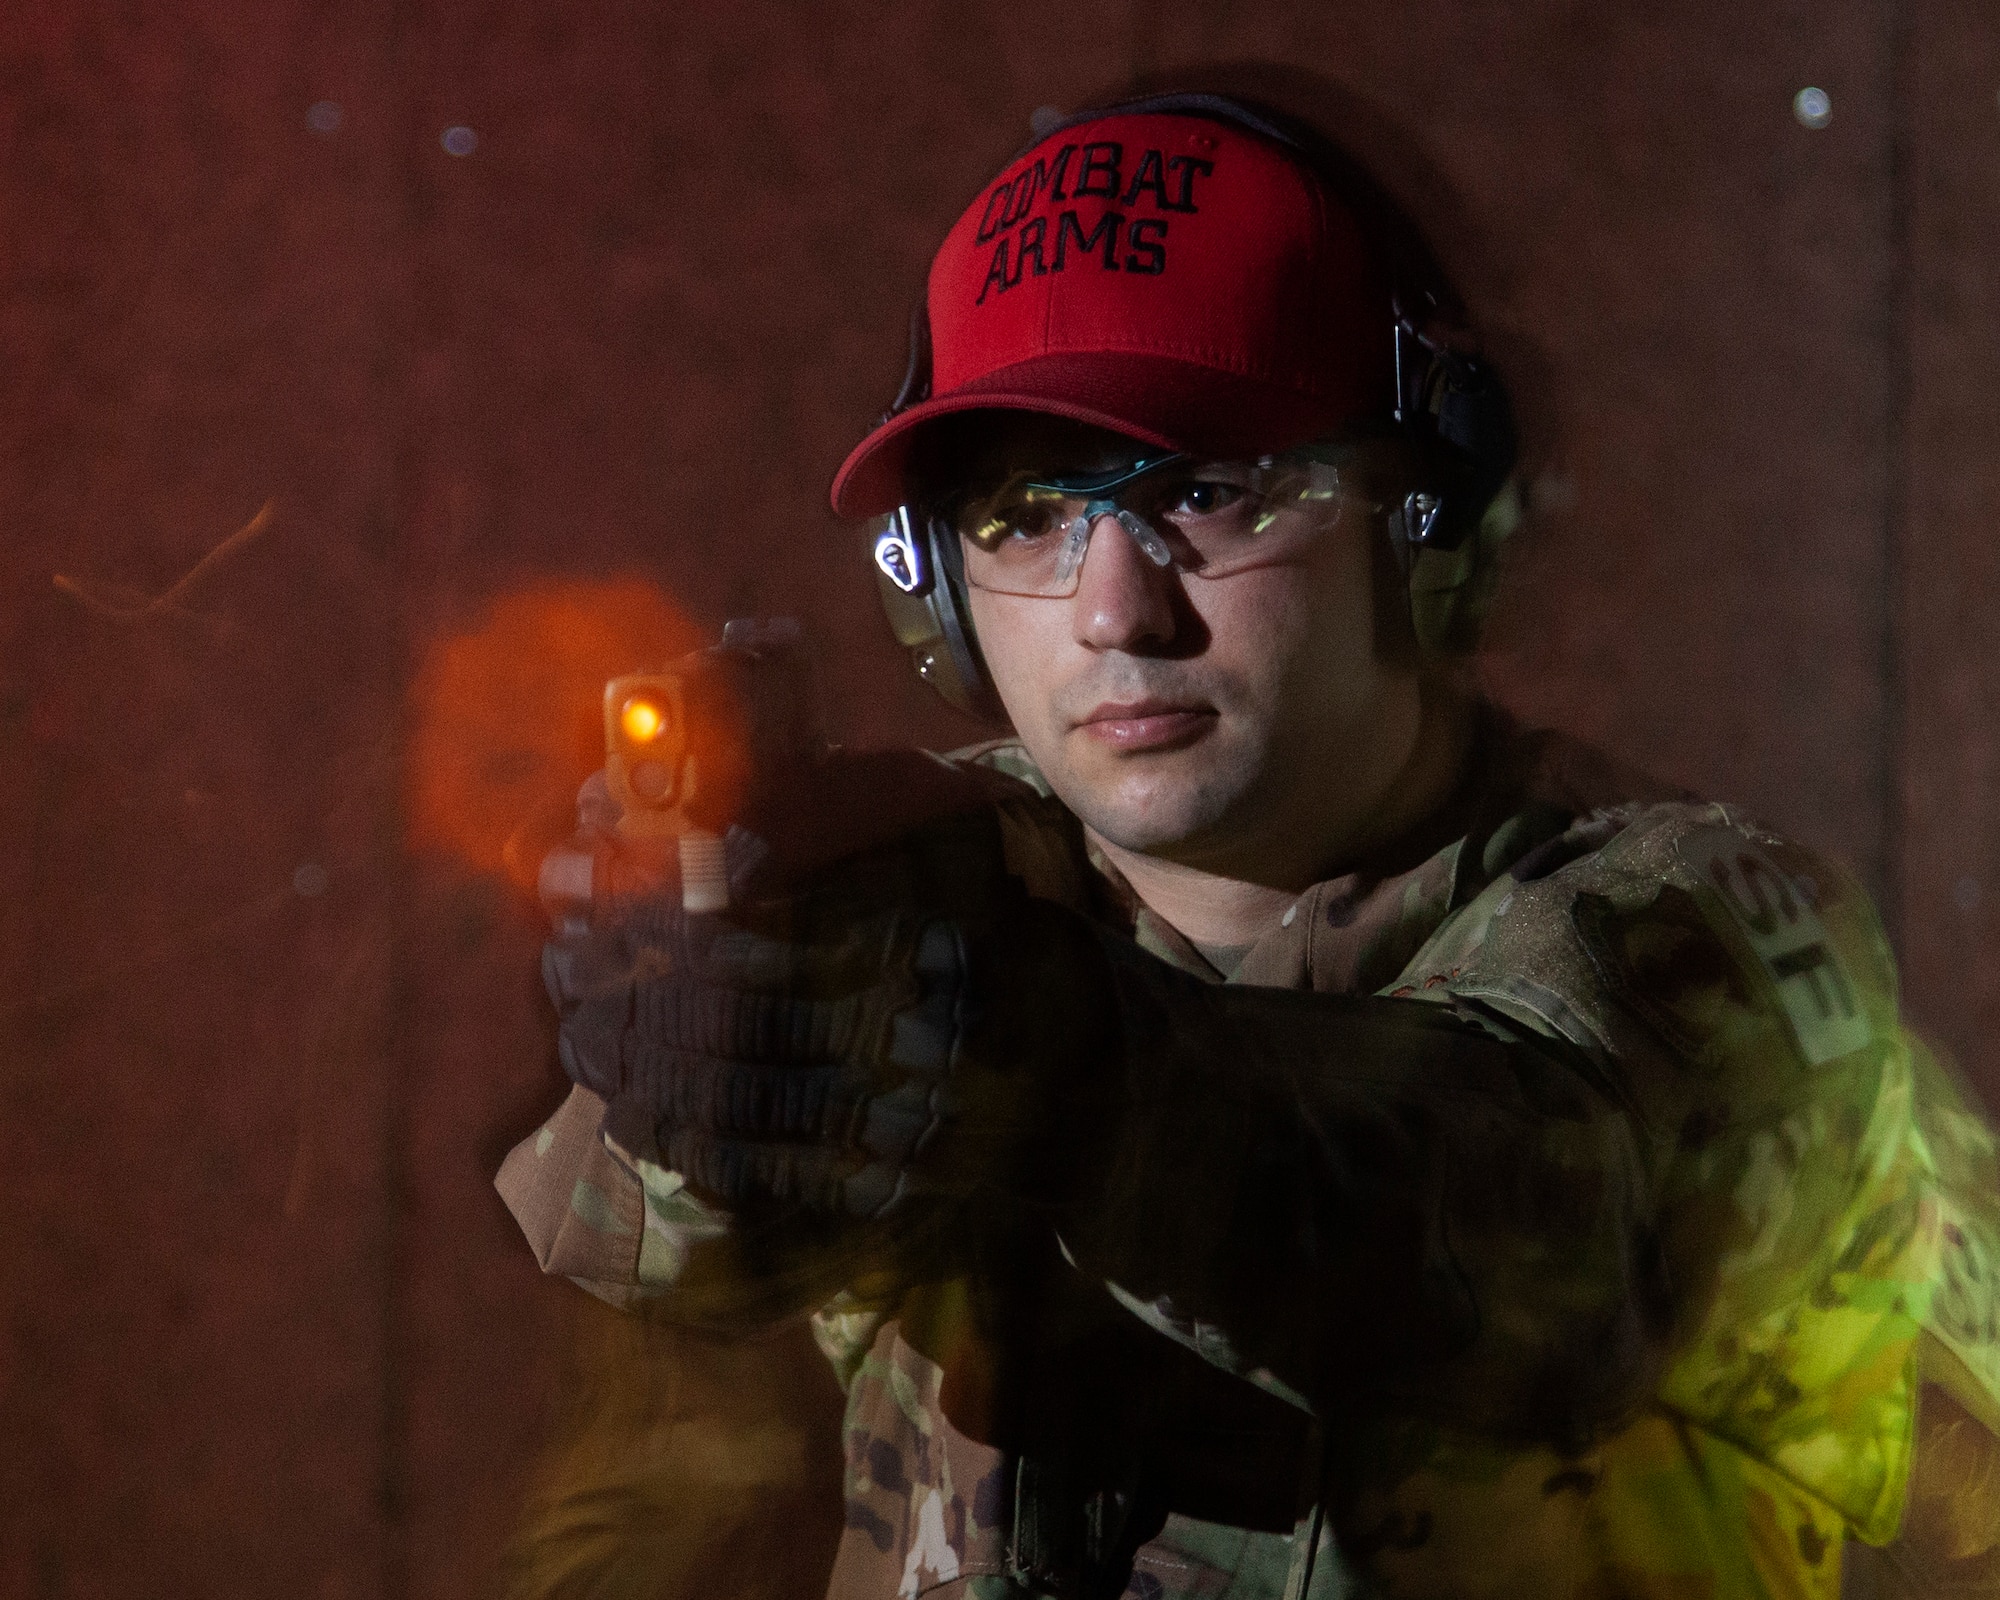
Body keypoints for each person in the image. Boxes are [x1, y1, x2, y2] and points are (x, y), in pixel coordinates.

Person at [497, 91, 2000, 1599]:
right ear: (932, 594)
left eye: (1207, 495)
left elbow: (1480, 1219)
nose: (1113, 614)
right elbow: (653, 1251)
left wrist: (1023, 1060)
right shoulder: (947, 881)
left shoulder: (1703, 932)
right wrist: (687, 1018)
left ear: (1418, 523)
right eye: (1024, 518)